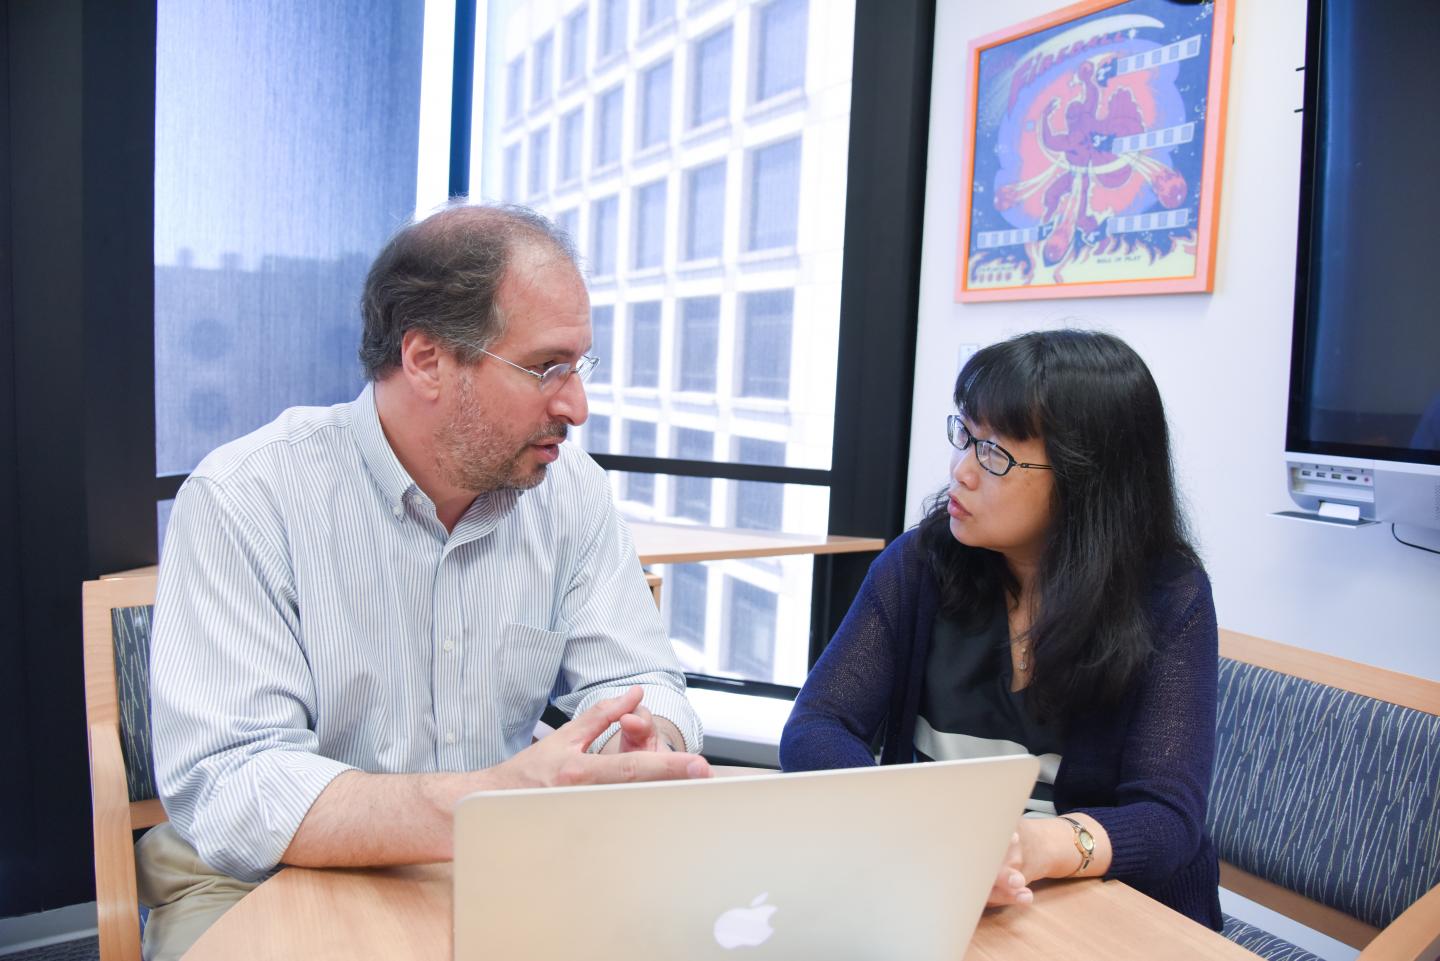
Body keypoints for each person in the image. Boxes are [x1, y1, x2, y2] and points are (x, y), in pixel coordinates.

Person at [137, 203, 711, 960]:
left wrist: (641, 741)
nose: (575, 404)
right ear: (428, 360)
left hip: (492, 863)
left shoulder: (570, 494)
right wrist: (490, 802)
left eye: (581, 365)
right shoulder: (247, 497)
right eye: (547, 367)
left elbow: (644, 676)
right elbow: (239, 788)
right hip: (259, 878)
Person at [780, 329, 1221, 928]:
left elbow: (1166, 817)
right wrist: (904, 823)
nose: (961, 471)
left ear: (1086, 482)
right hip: (939, 889)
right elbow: (817, 725)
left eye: (995, 455)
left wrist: (1033, 846)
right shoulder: (921, 565)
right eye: (965, 434)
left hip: (1104, 910)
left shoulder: (1168, 597)